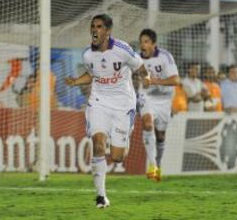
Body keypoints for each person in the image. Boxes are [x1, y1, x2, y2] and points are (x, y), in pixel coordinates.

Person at [65, 14, 150, 208]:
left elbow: (140, 67)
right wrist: (76, 81)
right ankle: (101, 196)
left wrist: (147, 78)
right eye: (93, 26)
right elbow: (92, 75)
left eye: (99, 27)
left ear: (108, 31)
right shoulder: (87, 54)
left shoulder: (123, 50)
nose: (95, 30)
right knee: (98, 145)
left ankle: (122, 137)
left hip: (123, 104)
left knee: (117, 156)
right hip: (99, 102)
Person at [137, 28, 180, 181]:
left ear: (154, 44)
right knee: (147, 124)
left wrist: (156, 81)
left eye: (146, 42)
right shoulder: (136, 59)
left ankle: (158, 163)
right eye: (141, 42)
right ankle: (152, 166)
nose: (143, 45)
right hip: (146, 96)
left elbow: (176, 80)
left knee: (161, 135)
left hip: (164, 99)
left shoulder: (165, 57)